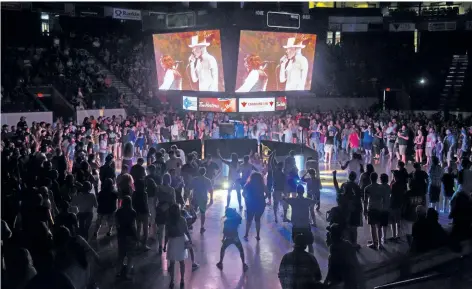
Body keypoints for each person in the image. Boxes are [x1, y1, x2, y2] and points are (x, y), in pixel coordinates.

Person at [324, 224, 365, 289]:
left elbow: (332, 269)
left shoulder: (334, 249)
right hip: (352, 280)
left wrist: (325, 283)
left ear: (332, 236)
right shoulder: (347, 244)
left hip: (344, 282)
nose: (326, 238)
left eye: (328, 234)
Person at [166, 204, 193, 288]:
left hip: (172, 241)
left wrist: (164, 245)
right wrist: (189, 240)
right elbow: (186, 231)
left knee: (172, 263)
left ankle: (172, 281)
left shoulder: (169, 220)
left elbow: (167, 234)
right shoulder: (182, 219)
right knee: (182, 262)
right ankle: (182, 280)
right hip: (181, 241)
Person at [284, 185, 316, 253]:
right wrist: (313, 194)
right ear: (303, 191)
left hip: (296, 226)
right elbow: (315, 201)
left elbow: (284, 199)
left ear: (296, 192)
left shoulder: (293, 200)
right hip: (306, 226)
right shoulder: (307, 200)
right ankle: (311, 258)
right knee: (310, 244)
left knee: (296, 244)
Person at [363, 173, 391, 250]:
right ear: (376, 178)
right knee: (379, 226)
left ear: (370, 178)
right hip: (379, 208)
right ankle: (380, 244)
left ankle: (374, 243)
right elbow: (384, 198)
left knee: (372, 226)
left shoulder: (367, 188)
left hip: (371, 208)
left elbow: (365, 201)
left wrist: (364, 210)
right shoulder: (381, 187)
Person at [216, 208, 248, 272]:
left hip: (228, 238)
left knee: (223, 249)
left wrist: (223, 238)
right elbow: (240, 217)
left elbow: (225, 231)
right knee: (241, 250)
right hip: (235, 237)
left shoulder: (226, 221)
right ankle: (244, 264)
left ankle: (220, 262)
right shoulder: (236, 219)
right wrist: (235, 212)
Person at [115, 195, 138, 279]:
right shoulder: (133, 212)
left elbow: (116, 224)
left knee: (121, 255)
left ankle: (118, 272)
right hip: (130, 235)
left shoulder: (118, 212)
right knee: (130, 255)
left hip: (121, 235)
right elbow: (133, 225)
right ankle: (127, 273)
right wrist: (136, 236)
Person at [155, 174, 176, 254]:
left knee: (160, 229)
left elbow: (155, 200)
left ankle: (160, 245)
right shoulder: (171, 189)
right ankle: (165, 246)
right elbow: (174, 202)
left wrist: (155, 208)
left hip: (160, 209)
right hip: (169, 210)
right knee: (167, 229)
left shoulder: (158, 188)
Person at [243, 172, 266, 241]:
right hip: (260, 203)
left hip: (251, 203)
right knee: (257, 219)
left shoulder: (248, 185)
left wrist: (247, 199)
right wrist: (263, 198)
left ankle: (246, 234)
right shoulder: (262, 185)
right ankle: (258, 235)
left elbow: (243, 193)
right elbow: (268, 193)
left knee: (249, 219)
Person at [189, 167, 213, 234]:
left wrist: (189, 198)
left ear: (199, 172)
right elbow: (211, 190)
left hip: (195, 198)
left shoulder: (194, 179)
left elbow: (190, 188)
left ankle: (190, 224)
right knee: (202, 213)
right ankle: (202, 227)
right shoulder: (207, 180)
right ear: (205, 172)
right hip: (203, 199)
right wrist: (211, 199)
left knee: (193, 212)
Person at [132, 179, 150, 250]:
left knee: (138, 229)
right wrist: (149, 212)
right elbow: (146, 204)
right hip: (144, 213)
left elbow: (132, 203)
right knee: (145, 229)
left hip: (137, 212)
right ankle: (144, 245)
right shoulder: (144, 193)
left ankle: (137, 243)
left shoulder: (134, 193)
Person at [388, 170, 404, 241]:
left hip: (394, 204)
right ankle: (399, 235)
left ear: (395, 177)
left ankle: (394, 236)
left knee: (393, 221)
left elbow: (391, 193)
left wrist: (391, 183)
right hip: (400, 204)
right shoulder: (402, 184)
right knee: (398, 221)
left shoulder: (394, 185)